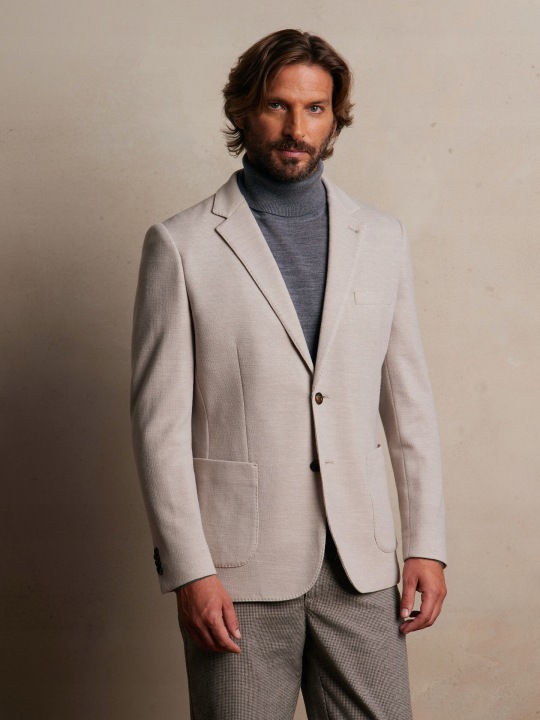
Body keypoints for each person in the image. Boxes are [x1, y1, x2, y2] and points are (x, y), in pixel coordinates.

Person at [130, 28, 447, 720]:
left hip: (361, 566)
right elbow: (158, 429)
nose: (296, 129)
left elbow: (408, 405)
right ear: (243, 111)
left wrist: (426, 543)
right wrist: (190, 569)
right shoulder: (181, 245)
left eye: (315, 108)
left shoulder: (382, 238)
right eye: (277, 105)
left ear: (334, 118)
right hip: (237, 574)